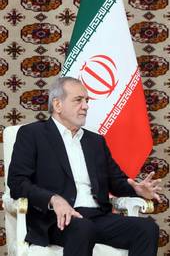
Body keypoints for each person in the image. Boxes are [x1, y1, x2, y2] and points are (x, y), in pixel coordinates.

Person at [8, 76, 161, 256]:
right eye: (78, 100)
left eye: (87, 101)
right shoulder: (33, 134)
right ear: (57, 105)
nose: (86, 106)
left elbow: (116, 181)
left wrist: (137, 190)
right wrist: (53, 199)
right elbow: (17, 182)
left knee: (147, 229)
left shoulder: (95, 141)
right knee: (83, 228)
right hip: (57, 220)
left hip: (97, 216)